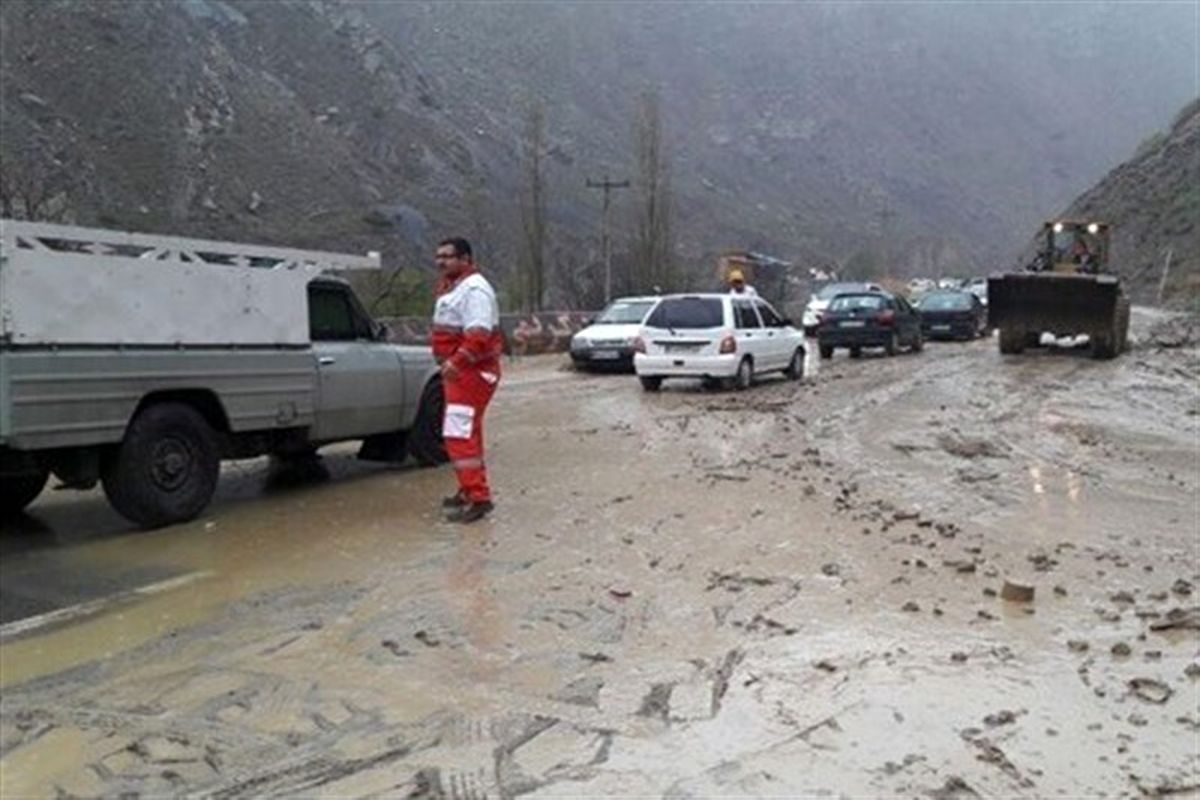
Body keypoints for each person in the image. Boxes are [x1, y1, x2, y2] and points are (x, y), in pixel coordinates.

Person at [430, 237, 502, 523]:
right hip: (462, 372)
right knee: (468, 433)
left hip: (470, 372)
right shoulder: (455, 287)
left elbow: (479, 334)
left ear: (466, 259)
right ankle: (469, 489)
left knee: (458, 434)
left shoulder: (474, 290)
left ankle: (478, 497)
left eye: (447, 256)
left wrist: (455, 362)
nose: (441, 261)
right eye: (438, 256)